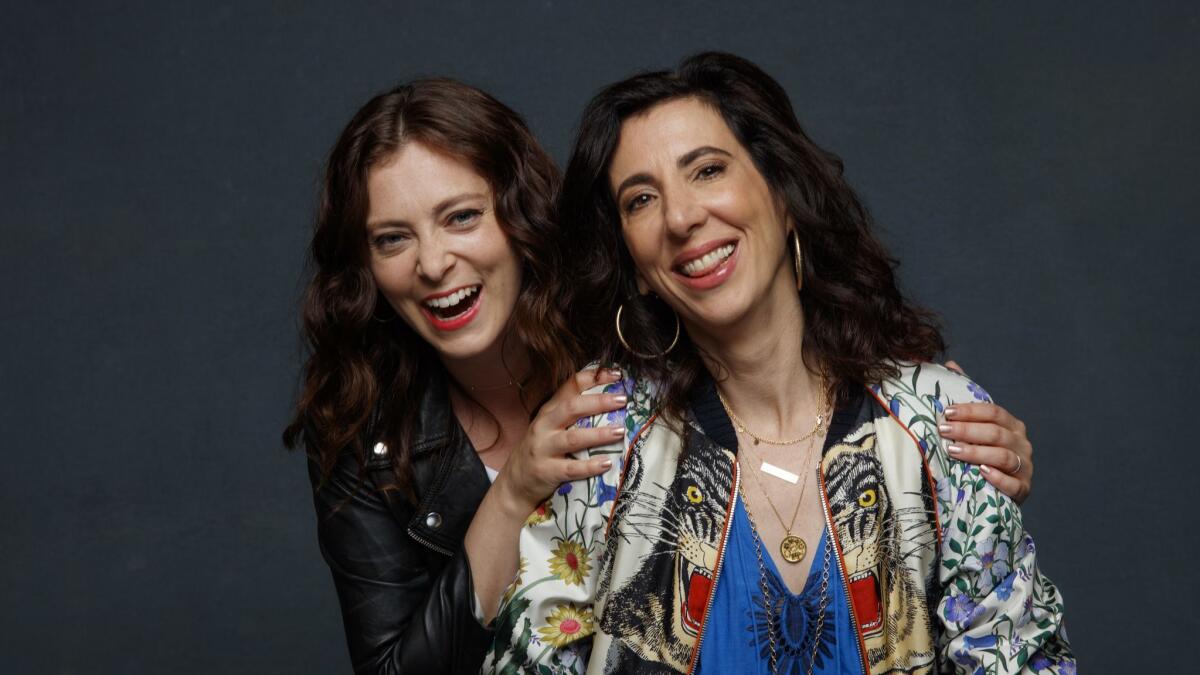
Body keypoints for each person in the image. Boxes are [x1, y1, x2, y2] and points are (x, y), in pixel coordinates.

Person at [283, 78, 1038, 674]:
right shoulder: (372, 436)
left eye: (460, 217)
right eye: (392, 239)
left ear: (517, 217)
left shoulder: (631, 344)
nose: (433, 263)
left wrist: (948, 437)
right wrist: (515, 490)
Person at [486, 53, 1072, 674]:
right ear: (635, 265)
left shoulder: (936, 420)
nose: (681, 218)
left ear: (784, 194)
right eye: (640, 200)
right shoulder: (604, 440)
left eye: (708, 170)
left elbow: (1021, 657)